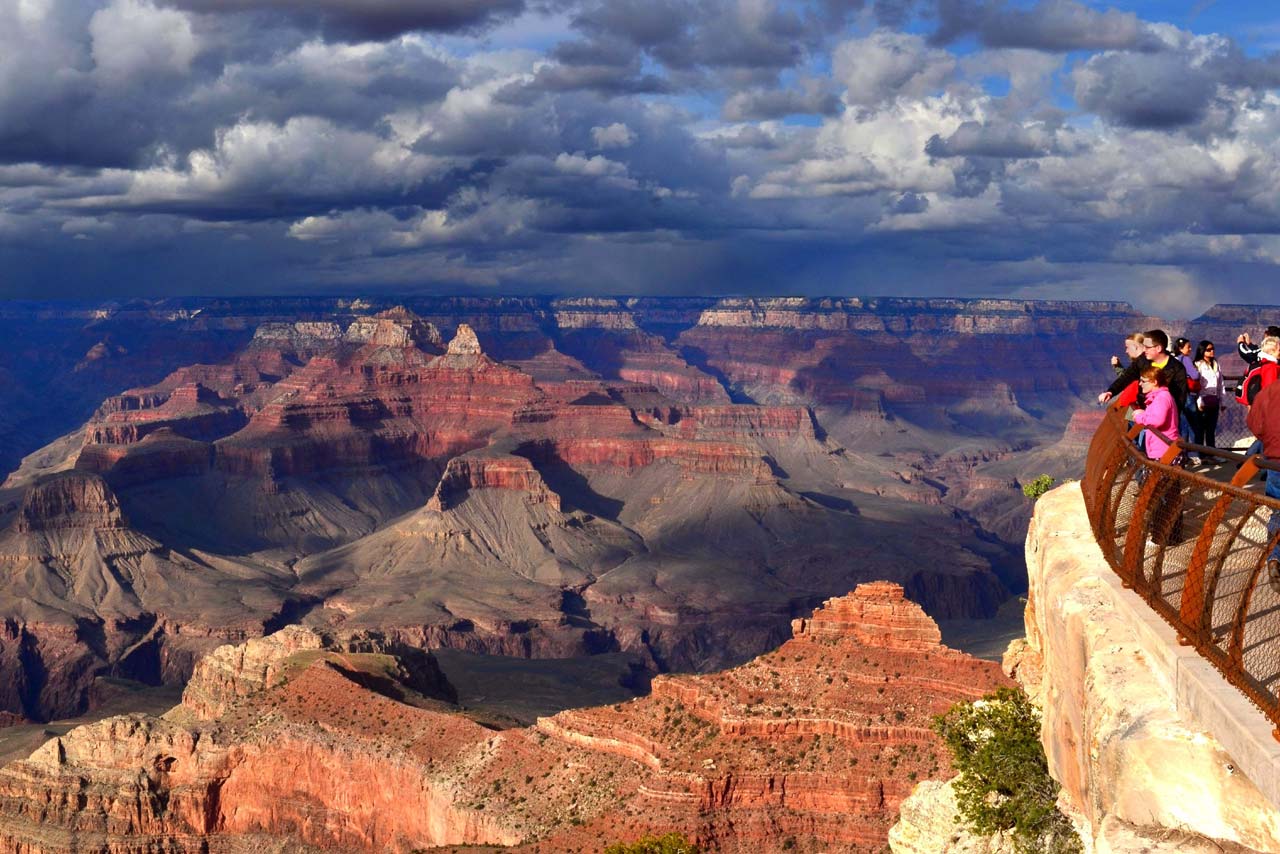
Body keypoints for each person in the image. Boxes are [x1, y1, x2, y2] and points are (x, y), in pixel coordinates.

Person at [1099, 329, 1189, 416]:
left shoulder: (1177, 369)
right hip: (1141, 412)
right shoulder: (1142, 360)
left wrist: (1169, 418)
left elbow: (1180, 398)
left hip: (1162, 416)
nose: (1144, 349)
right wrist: (1111, 392)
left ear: (1158, 348)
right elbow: (1126, 377)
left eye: (1147, 347)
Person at [1245, 376, 1280, 588]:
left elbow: (1254, 424)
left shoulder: (1267, 392)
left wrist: (1269, 440)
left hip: (1274, 461)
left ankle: (1275, 557)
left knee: (1277, 511)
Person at [1131, 365, 1179, 461]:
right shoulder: (1158, 397)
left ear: (1154, 382)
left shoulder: (1162, 397)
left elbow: (1157, 421)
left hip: (1164, 450)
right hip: (1161, 448)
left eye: (1143, 381)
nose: (1140, 384)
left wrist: (1139, 417)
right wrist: (1144, 413)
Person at [1193, 340, 1222, 453]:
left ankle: (1211, 454)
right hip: (1203, 400)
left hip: (1214, 400)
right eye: (1208, 350)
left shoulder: (1216, 364)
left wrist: (1222, 401)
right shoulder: (1197, 364)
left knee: (1211, 429)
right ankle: (1200, 454)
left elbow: (1221, 383)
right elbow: (1197, 385)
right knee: (1200, 429)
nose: (1212, 351)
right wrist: (1199, 401)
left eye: (1213, 349)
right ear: (1202, 351)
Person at [1174, 337, 1201, 452]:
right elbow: (1195, 375)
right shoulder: (1185, 359)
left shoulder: (1174, 359)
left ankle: (1182, 451)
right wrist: (1197, 370)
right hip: (1188, 394)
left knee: (1182, 425)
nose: (1190, 349)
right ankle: (1195, 452)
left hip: (1178, 395)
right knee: (1193, 425)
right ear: (1181, 348)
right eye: (1188, 347)